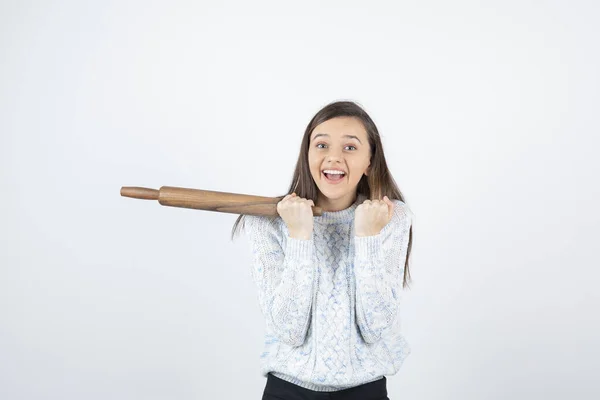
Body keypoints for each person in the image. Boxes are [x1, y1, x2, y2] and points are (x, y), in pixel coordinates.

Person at [231, 100, 415, 400]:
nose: (333, 158)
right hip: (287, 390)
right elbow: (288, 330)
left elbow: (376, 328)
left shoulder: (391, 218)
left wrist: (367, 237)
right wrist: (299, 235)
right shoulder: (266, 222)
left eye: (350, 148)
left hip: (365, 391)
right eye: (321, 145)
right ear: (307, 155)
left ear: (370, 161)